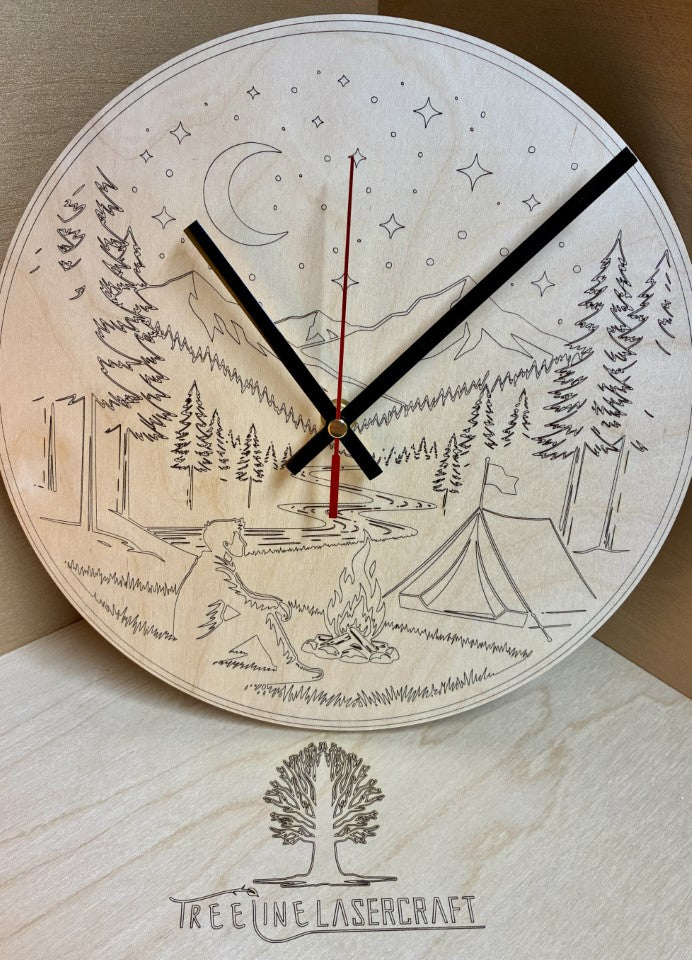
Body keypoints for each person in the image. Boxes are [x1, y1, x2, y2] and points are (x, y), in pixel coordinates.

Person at [173, 518, 322, 682]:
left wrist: (273, 603)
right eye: (239, 537)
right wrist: (275, 605)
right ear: (226, 544)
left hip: (197, 639)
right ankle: (289, 668)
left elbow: (246, 595)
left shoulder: (215, 564)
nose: (244, 543)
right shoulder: (215, 571)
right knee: (261, 617)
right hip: (196, 646)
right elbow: (246, 602)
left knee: (260, 614)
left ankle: (288, 664)